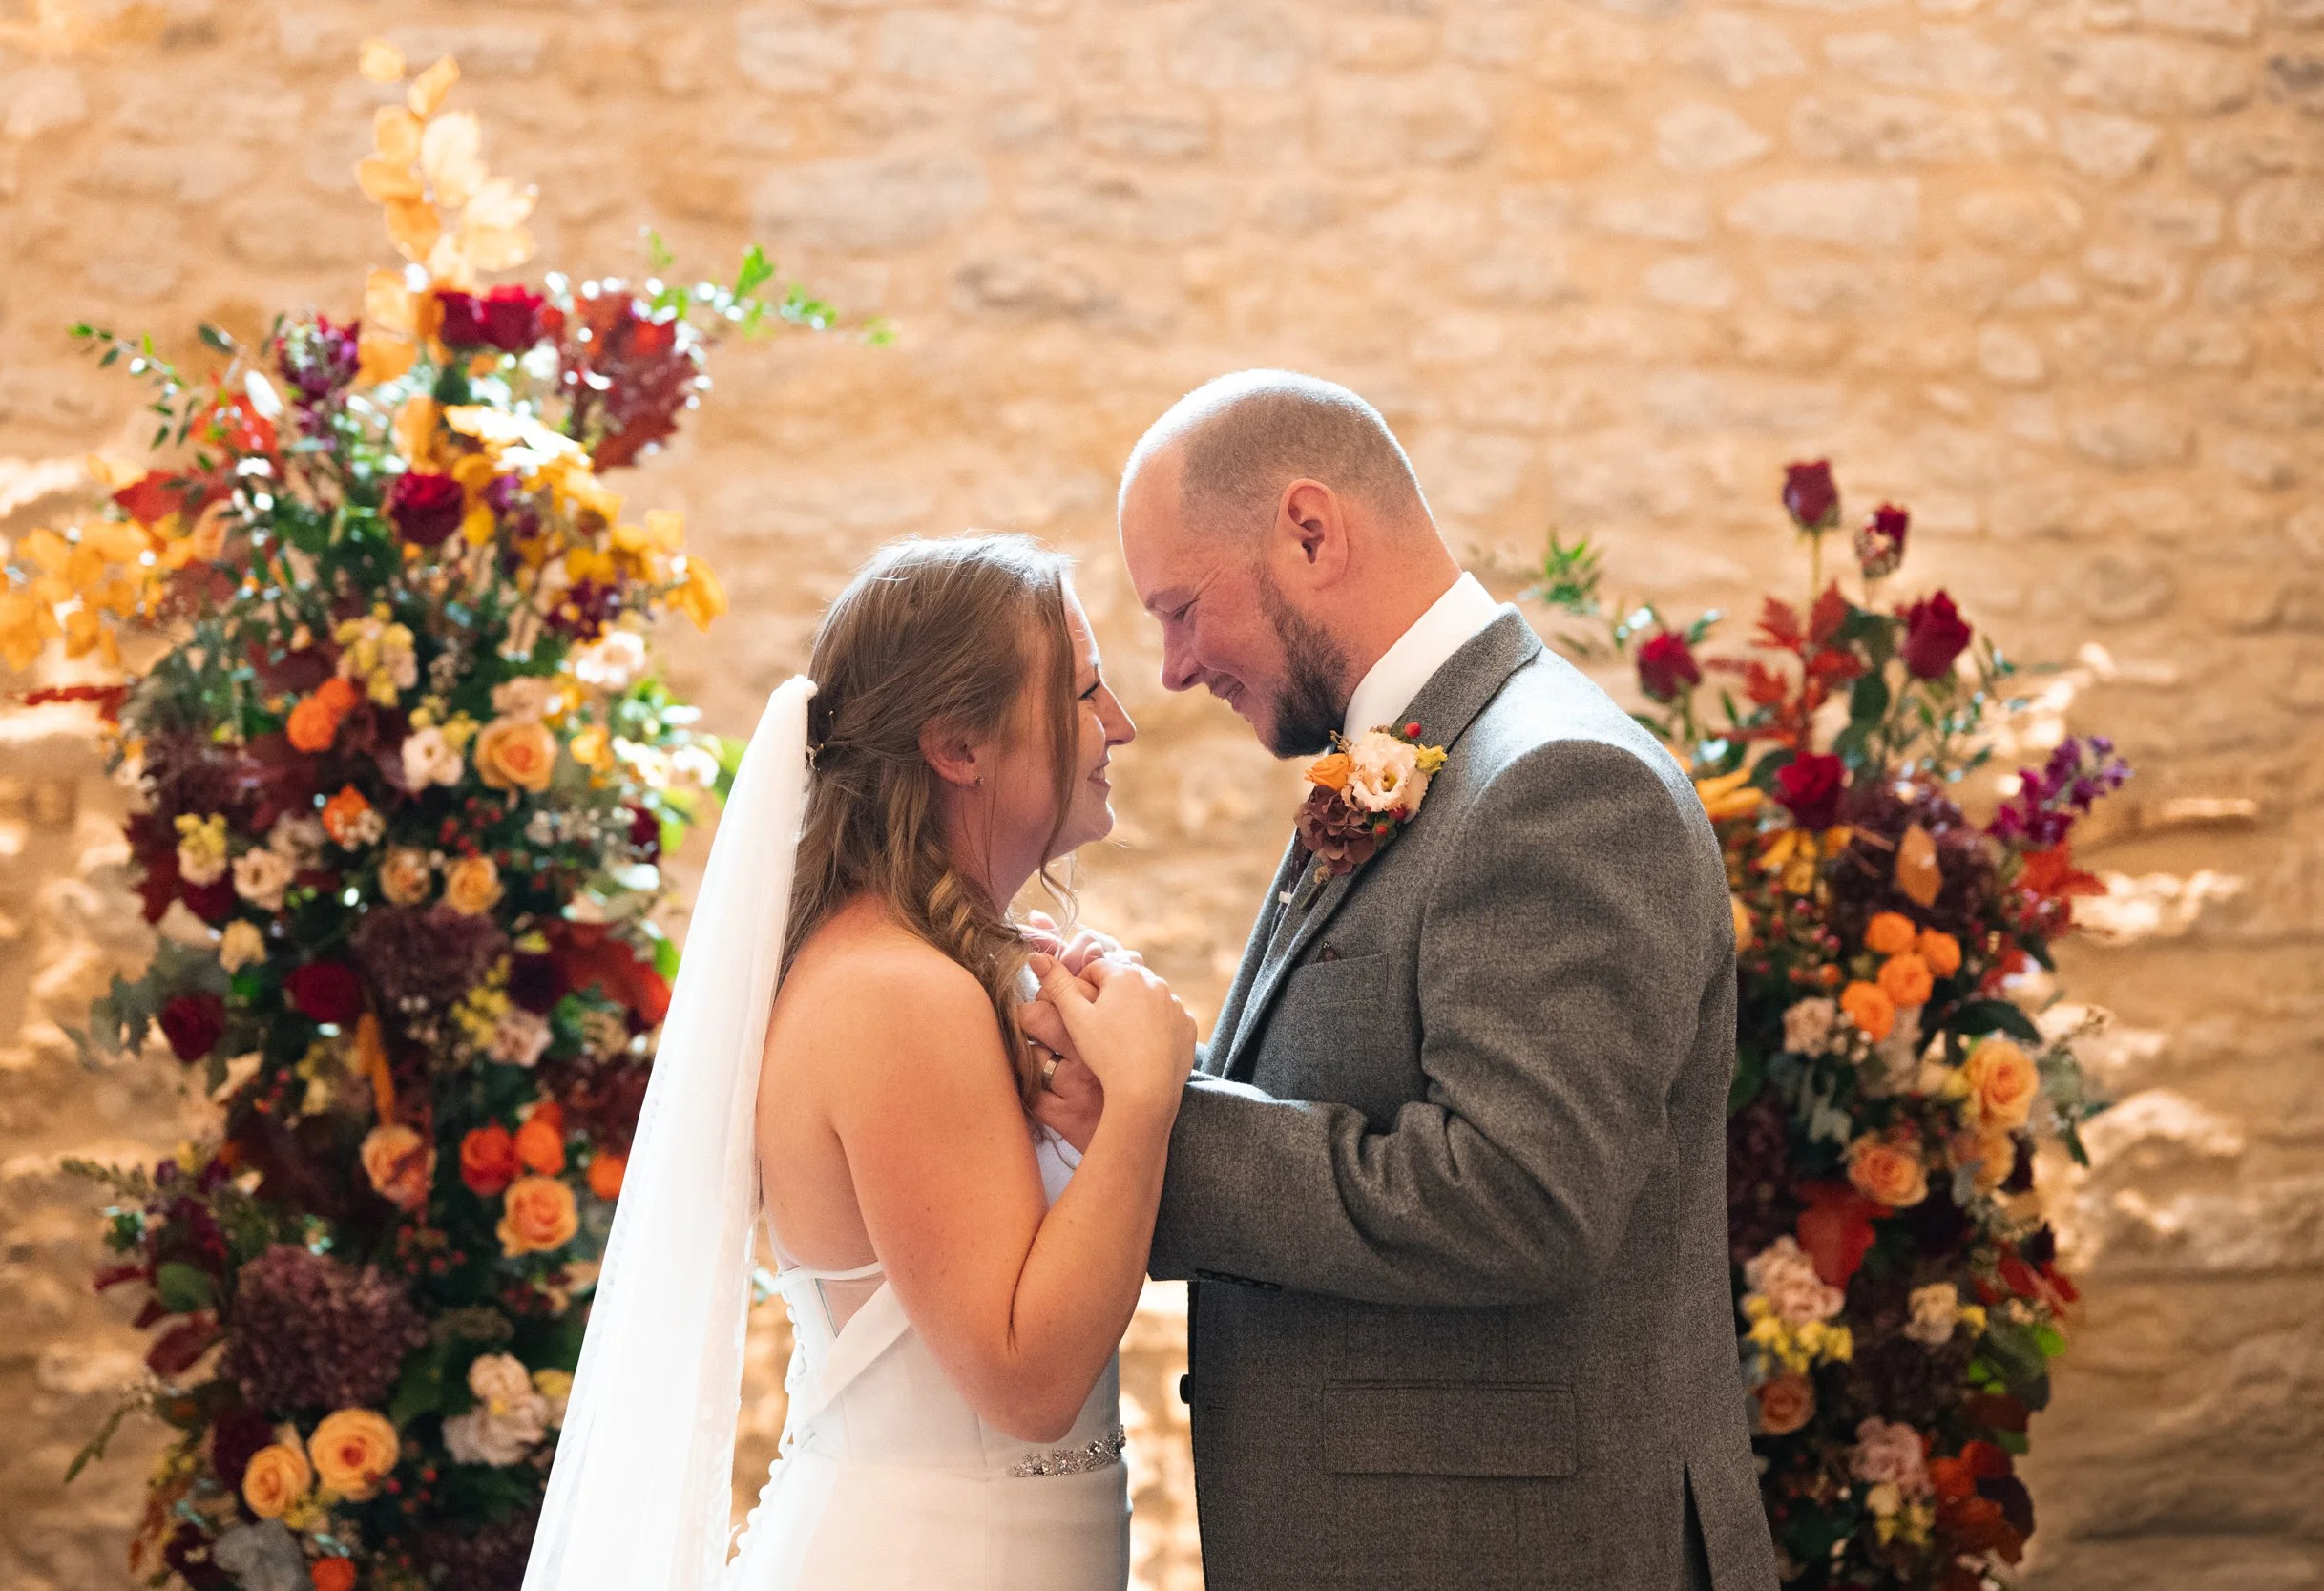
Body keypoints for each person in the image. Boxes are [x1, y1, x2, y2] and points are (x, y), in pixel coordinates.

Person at [1025, 370, 1779, 1591]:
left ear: (1309, 530)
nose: (1168, 670)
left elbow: (1522, 1195)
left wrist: (1158, 1124)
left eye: (1181, 609)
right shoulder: (1415, 757)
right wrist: (1141, 1053)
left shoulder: (1557, 781)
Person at [524, 534, 1189, 1591]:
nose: (1120, 724)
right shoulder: (896, 992)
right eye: (1084, 693)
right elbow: (1024, 1378)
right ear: (958, 744)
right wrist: (1149, 1097)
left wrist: (1102, 1119)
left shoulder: (948, 970)